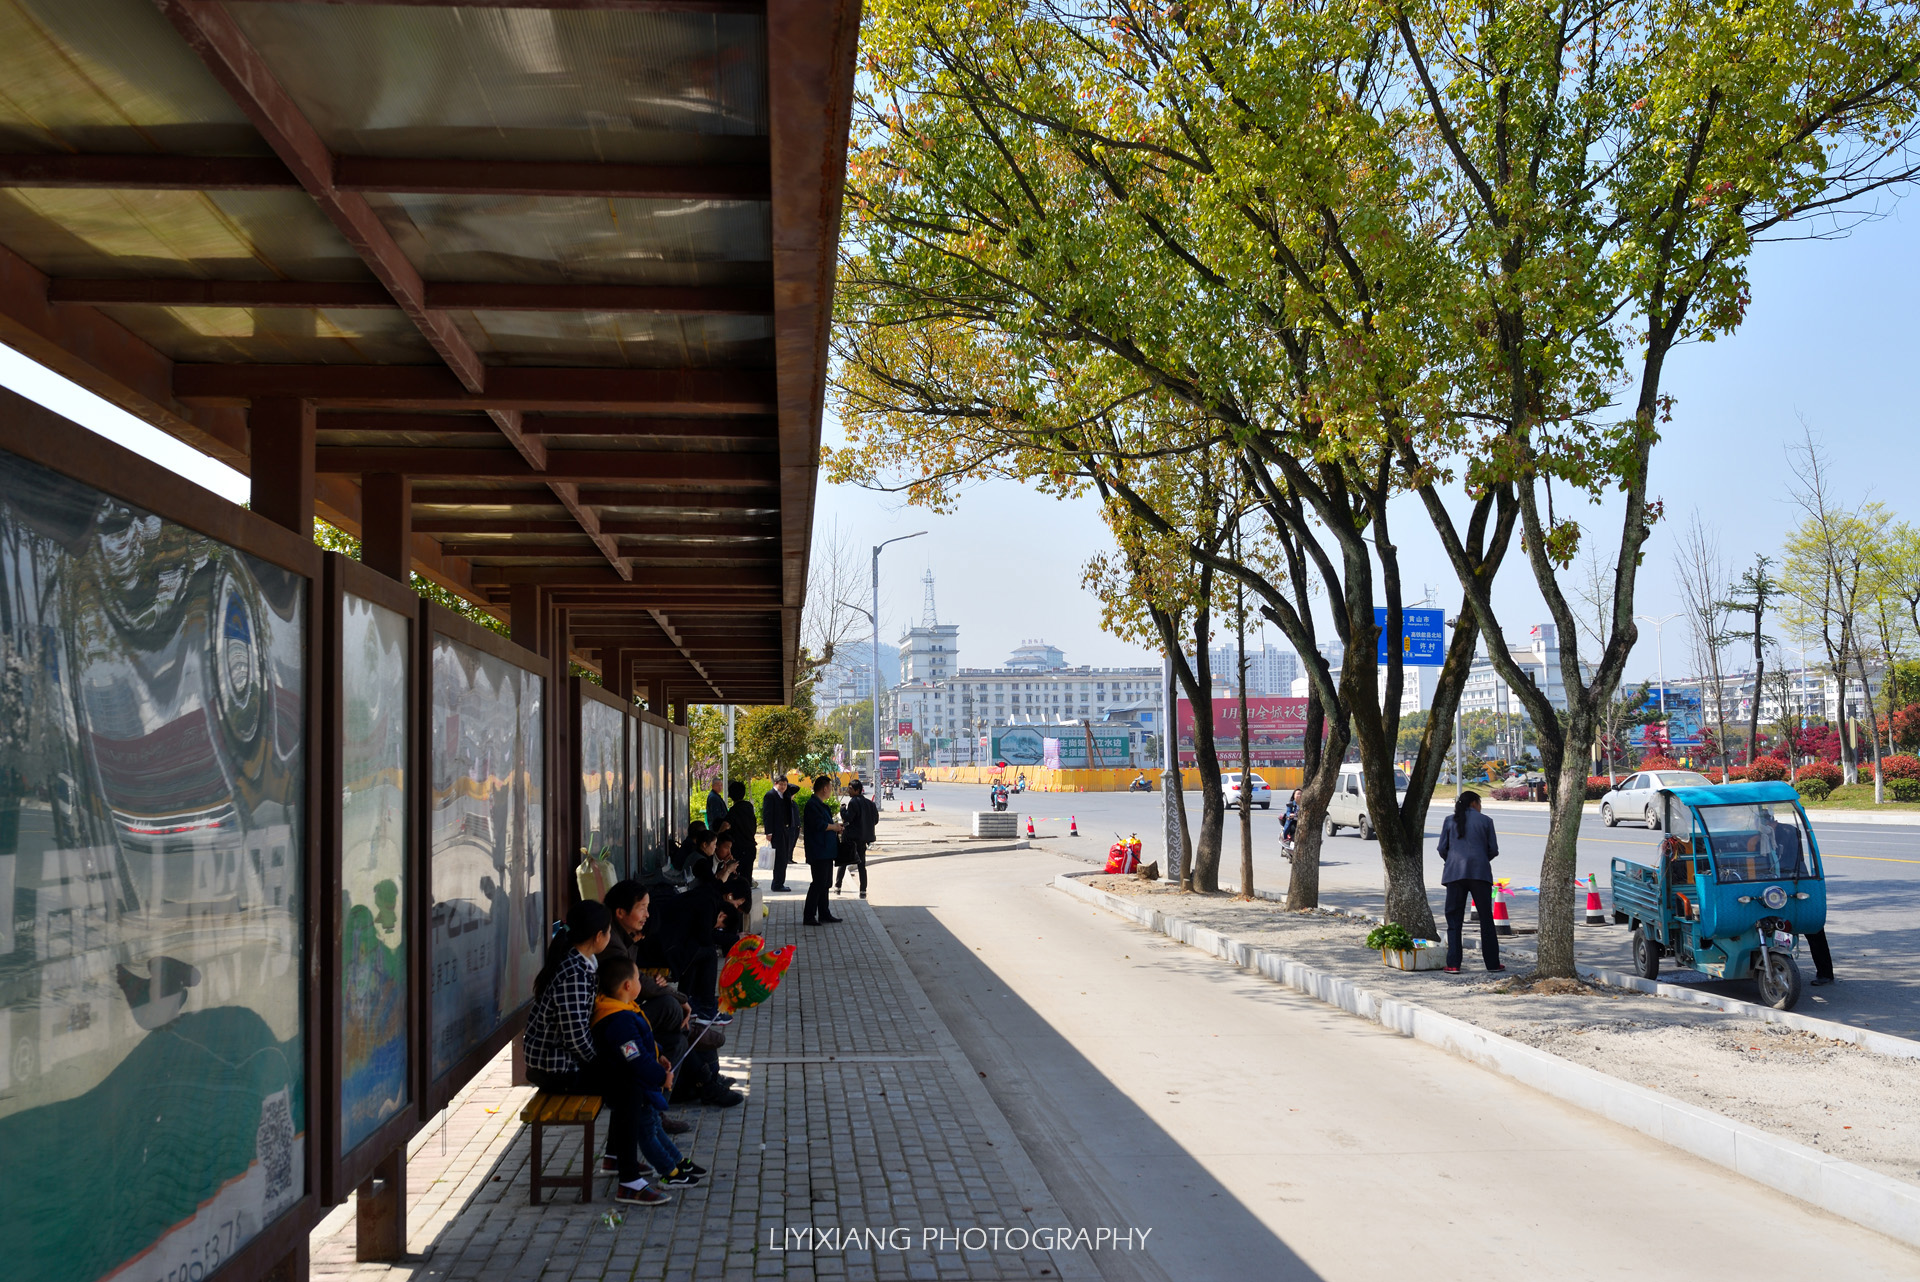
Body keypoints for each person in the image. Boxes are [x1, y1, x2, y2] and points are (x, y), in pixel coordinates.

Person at [590, 955, 708, 1203]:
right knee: (647, 1132)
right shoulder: (617, 1020)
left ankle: (676, 1161)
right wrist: (661, 1077)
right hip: (630, 1083)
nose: (640, 982)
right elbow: (634, 1058)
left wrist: (660, 1055)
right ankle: (668, 1171)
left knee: (653, 1124)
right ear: (627, 986)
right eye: (637, 978)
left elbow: (642, 1044)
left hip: (638, 1082)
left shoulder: (623, 1009)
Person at [523, 900, 613, 1093]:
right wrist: (598, 1061)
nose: (610, 937)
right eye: (609, 932)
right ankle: (648, 1123)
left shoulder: (577, 961)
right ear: (598, 936)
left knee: (628, 1067)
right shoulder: (575, 974)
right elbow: (575, 1036)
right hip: (554, 1068)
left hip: (558, 1061)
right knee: (627, 1078)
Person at [1436, 790, 1505, 974]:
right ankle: (1492, 964)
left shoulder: (1449, 821)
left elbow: (1442, 848)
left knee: (1454, 920)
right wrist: (1480, 859)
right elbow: (1493, 850)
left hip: (1454, 875)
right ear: (1474, 803)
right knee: (1486, 920)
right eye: (1480, 804)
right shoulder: (1486, 821)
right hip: (1480, 874)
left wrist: (1452, 861)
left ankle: (1453, 964)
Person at [1764, 810, 1835, 987]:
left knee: (1813, 927)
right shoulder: (1767, 835)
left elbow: (1785, 860)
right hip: (1780, 882)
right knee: (1778, 928)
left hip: (1795, 881)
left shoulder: (1787, 832)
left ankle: (1824, 972)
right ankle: (1779, 966)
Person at [802, 775, 845, 926]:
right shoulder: (812, 805)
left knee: (826, 883)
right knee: (818, 883)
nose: (831, 791)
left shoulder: (822, 805)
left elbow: (826, 824)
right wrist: (834, 827)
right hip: (818, 850)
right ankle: (809, 915)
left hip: (826, 850)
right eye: (831, 788)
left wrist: (836, 828)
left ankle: (824, 913)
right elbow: (819, 825)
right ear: (825, 788)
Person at [836, 778, 879, 898]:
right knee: (861, 865)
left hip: (851, 838)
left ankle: (838, 887)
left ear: (857, 790)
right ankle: (863, 891)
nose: (848, 791)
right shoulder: (871, 804)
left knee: (844, 861)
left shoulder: (853, 802)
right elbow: (875, 820)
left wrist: (842, 810)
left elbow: (848, 818)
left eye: (850, 789)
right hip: (863, 839)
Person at [763, 776, 800, 891]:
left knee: (784, 858)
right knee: (779, 859)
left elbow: (796, 787)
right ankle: (777, 884)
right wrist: (768, 832)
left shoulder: (785, 794)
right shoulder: (770, 795)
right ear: (775, 783)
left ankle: (780, 882)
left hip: (785, 830)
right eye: (781, 784)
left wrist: (785, 787)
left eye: (785, 784)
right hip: (776, 831)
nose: (783, 787)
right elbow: (767, 815)